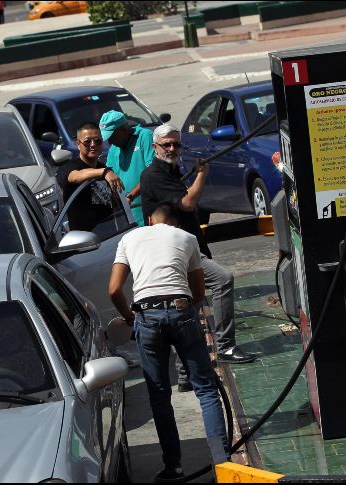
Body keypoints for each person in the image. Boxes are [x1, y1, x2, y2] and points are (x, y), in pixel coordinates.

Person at [109, 202, 231, 480]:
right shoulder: (186, 238)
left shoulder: (129, 238)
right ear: (175, 223)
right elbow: (198, 291)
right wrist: (187, 313)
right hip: (181, 310)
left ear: (150, 220)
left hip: (146, 315)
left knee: (160, 396)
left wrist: (129, 317)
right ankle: (223, 465)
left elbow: (114, 289)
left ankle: (173, 468)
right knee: (206, 390)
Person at [140, 124, 257, 379]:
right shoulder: (154, 175)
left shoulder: (170, 171)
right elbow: (187, 203)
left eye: (176, 144)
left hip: (186, 247)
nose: (172, 149)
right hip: (174, 251)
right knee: (222, 280)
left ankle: (185, 373)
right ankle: (225, 347)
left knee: (190, 305)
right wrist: (202, 175)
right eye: (167, 145)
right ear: (155, 147)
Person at [55, 122, 125, 234]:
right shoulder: (69, 167)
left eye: (98, 141)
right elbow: (76, 176)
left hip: (110, 236)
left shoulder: (103, 168)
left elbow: (116, 207)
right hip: (84, 239)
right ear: (78, 144)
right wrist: (105, 172)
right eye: (87, 142)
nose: (93, 145)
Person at [99, 110, 156, 227]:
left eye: (112, 136)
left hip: (150, 216)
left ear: (124, 129)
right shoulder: (113, 149)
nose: (109, 141)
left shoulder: (144, 136)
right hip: (128, 220)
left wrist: (131, 196)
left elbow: (153, 173)